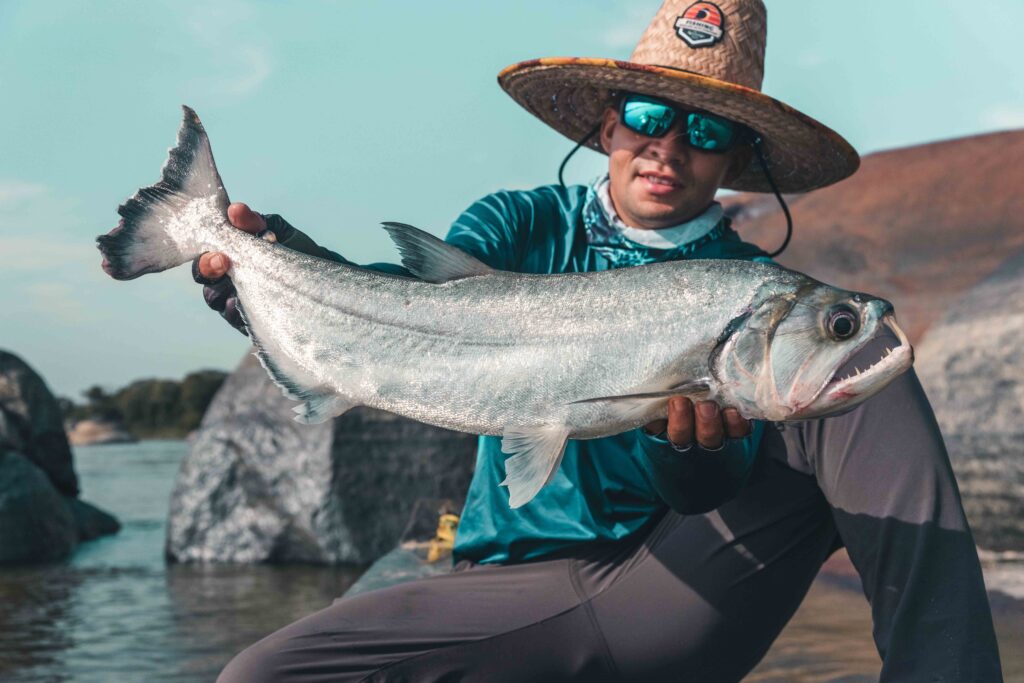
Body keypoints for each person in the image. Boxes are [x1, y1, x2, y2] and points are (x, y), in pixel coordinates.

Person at [201, 1, 1003, 680]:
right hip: (518, 580)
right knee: (259, 674)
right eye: (650, 116)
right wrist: (285, 270)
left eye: (707, 128)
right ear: (609, 123)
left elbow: (702, 492)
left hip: (672, 581)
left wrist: (695, 452)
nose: (670, 145)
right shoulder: (519, 224)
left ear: (735, 155)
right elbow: (412, 311)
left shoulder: (745, 282)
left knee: (859, 365)